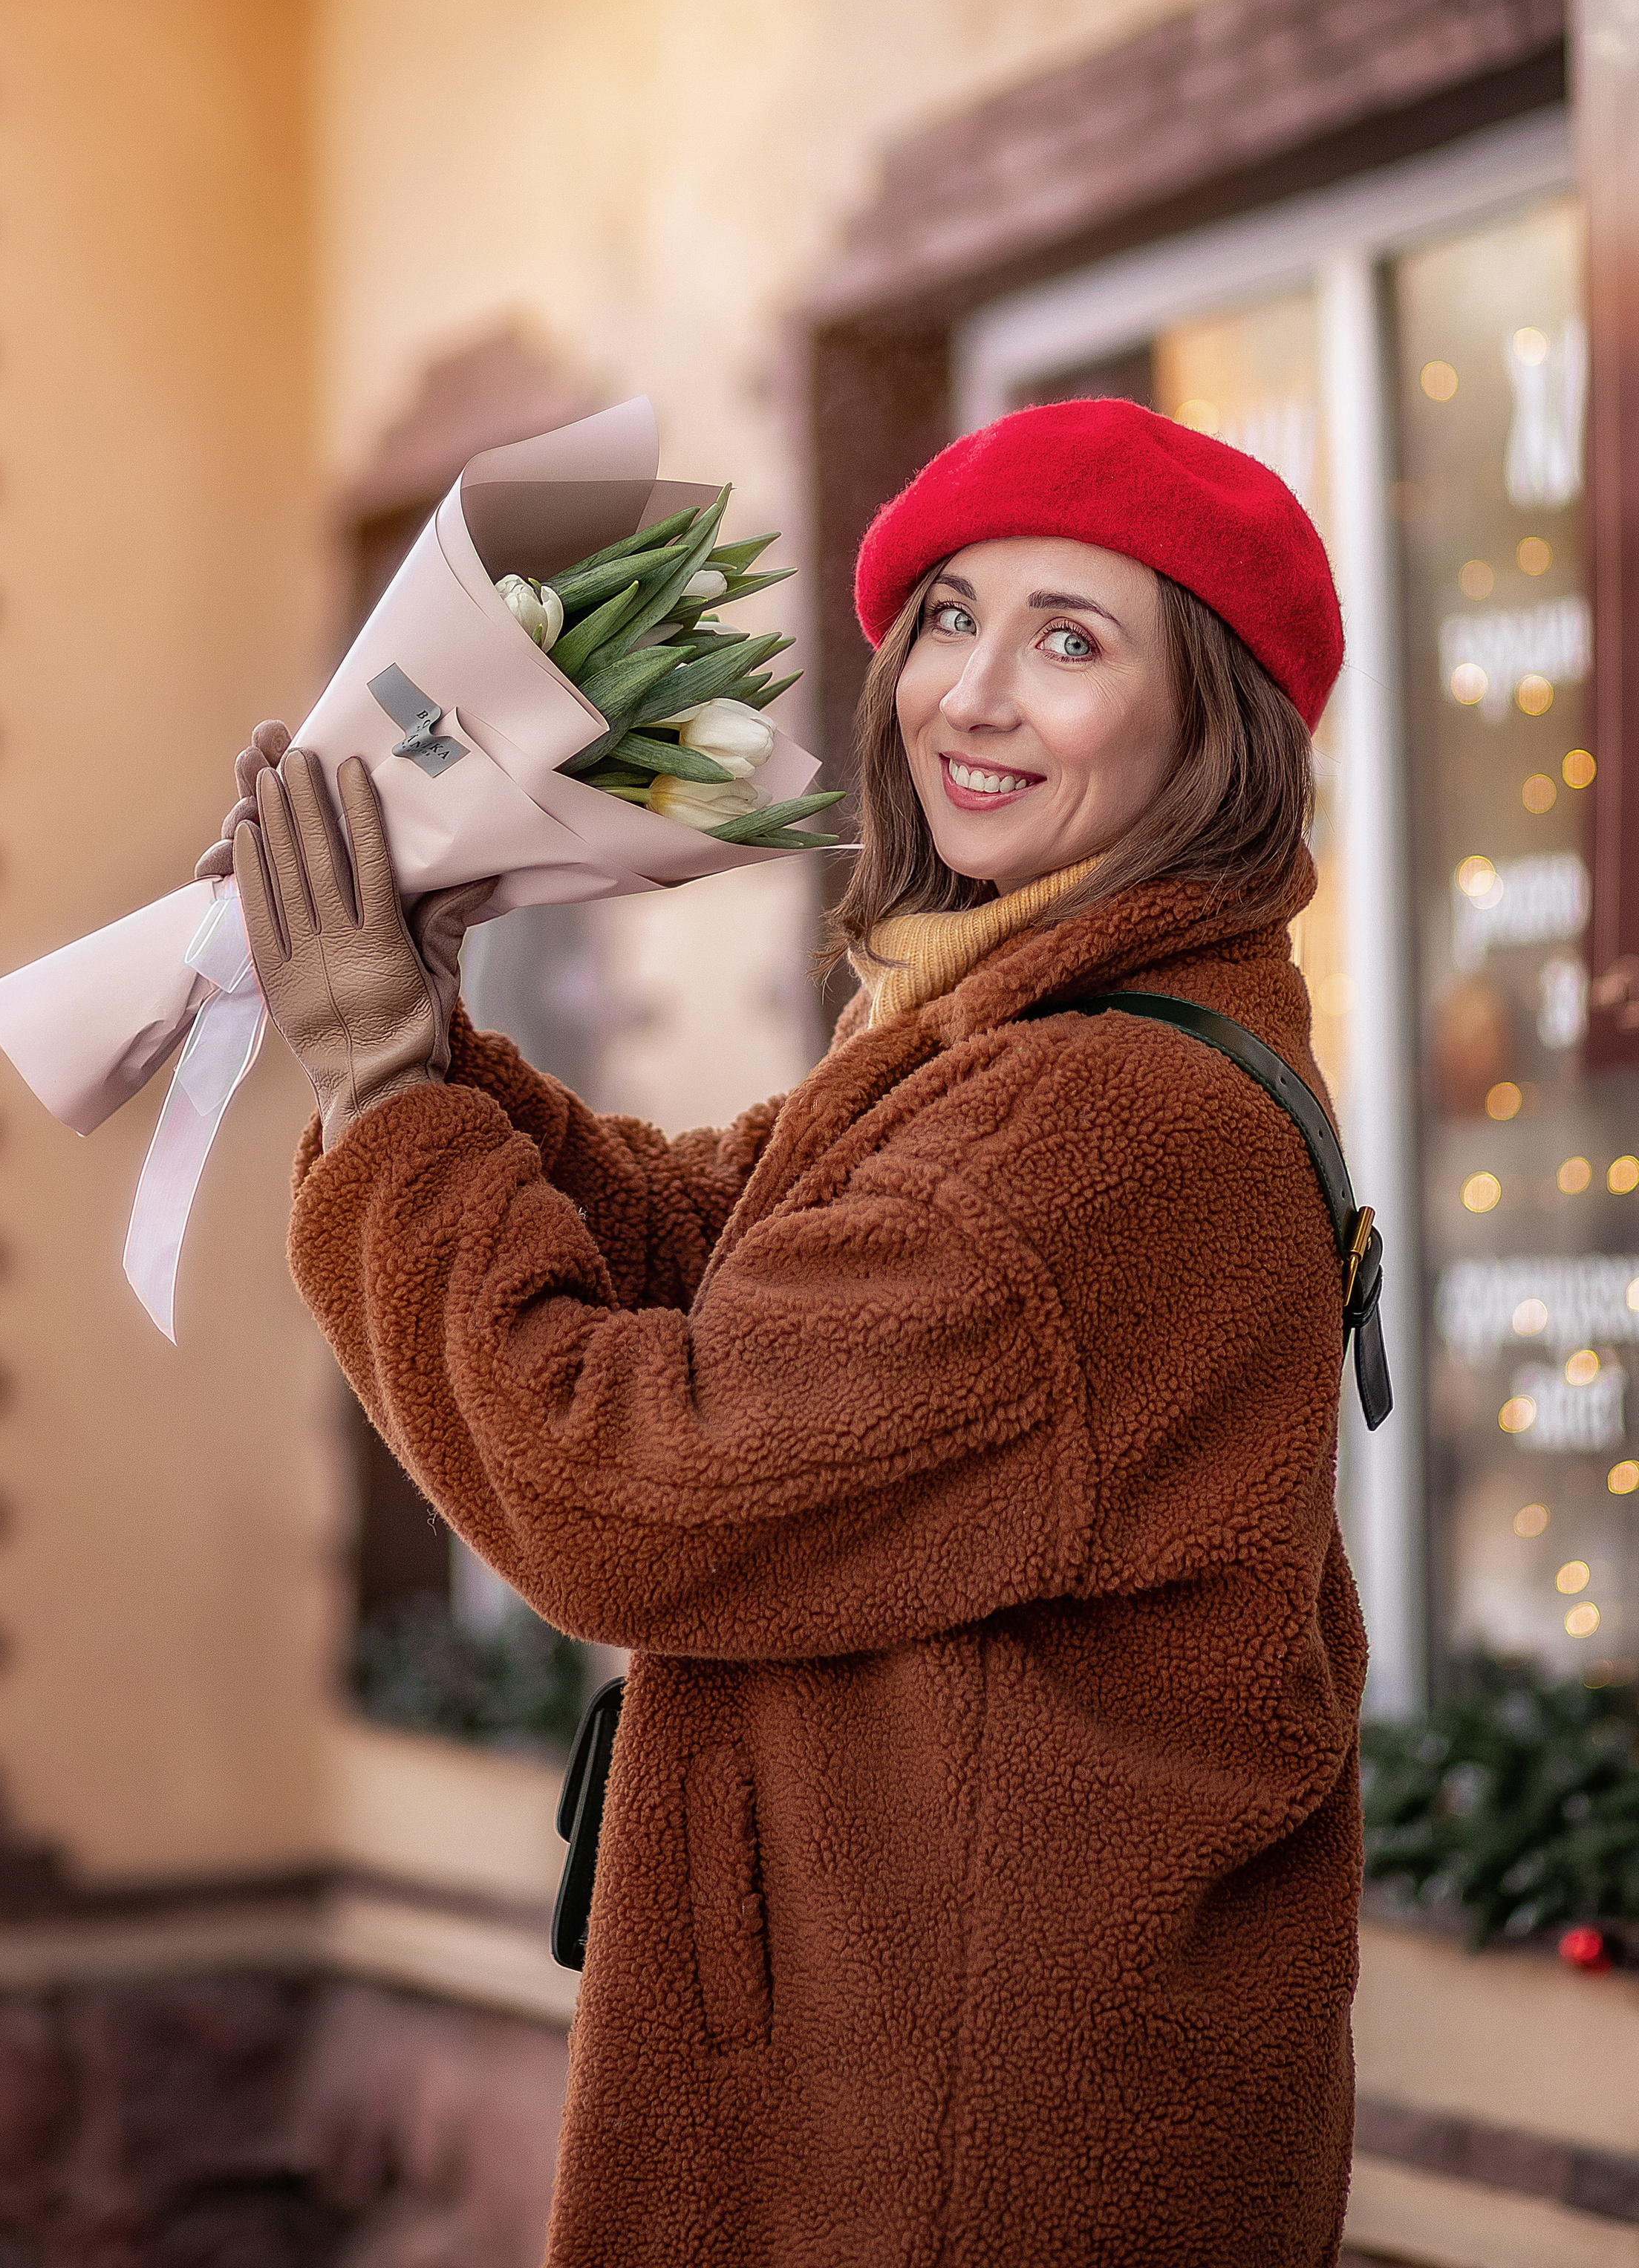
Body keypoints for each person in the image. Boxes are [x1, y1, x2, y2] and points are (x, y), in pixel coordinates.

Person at [212, 397, 1367, 2268]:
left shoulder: (1097, 1120)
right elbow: (710, 1245)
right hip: (915, 2078)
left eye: (1069, 641)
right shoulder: (1002, 1031)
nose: (969, 693)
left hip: (946, 2153)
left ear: (1212, 729)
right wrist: (426, 1047)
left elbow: (623, 1485)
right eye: (948, 618)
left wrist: (379, 1083)